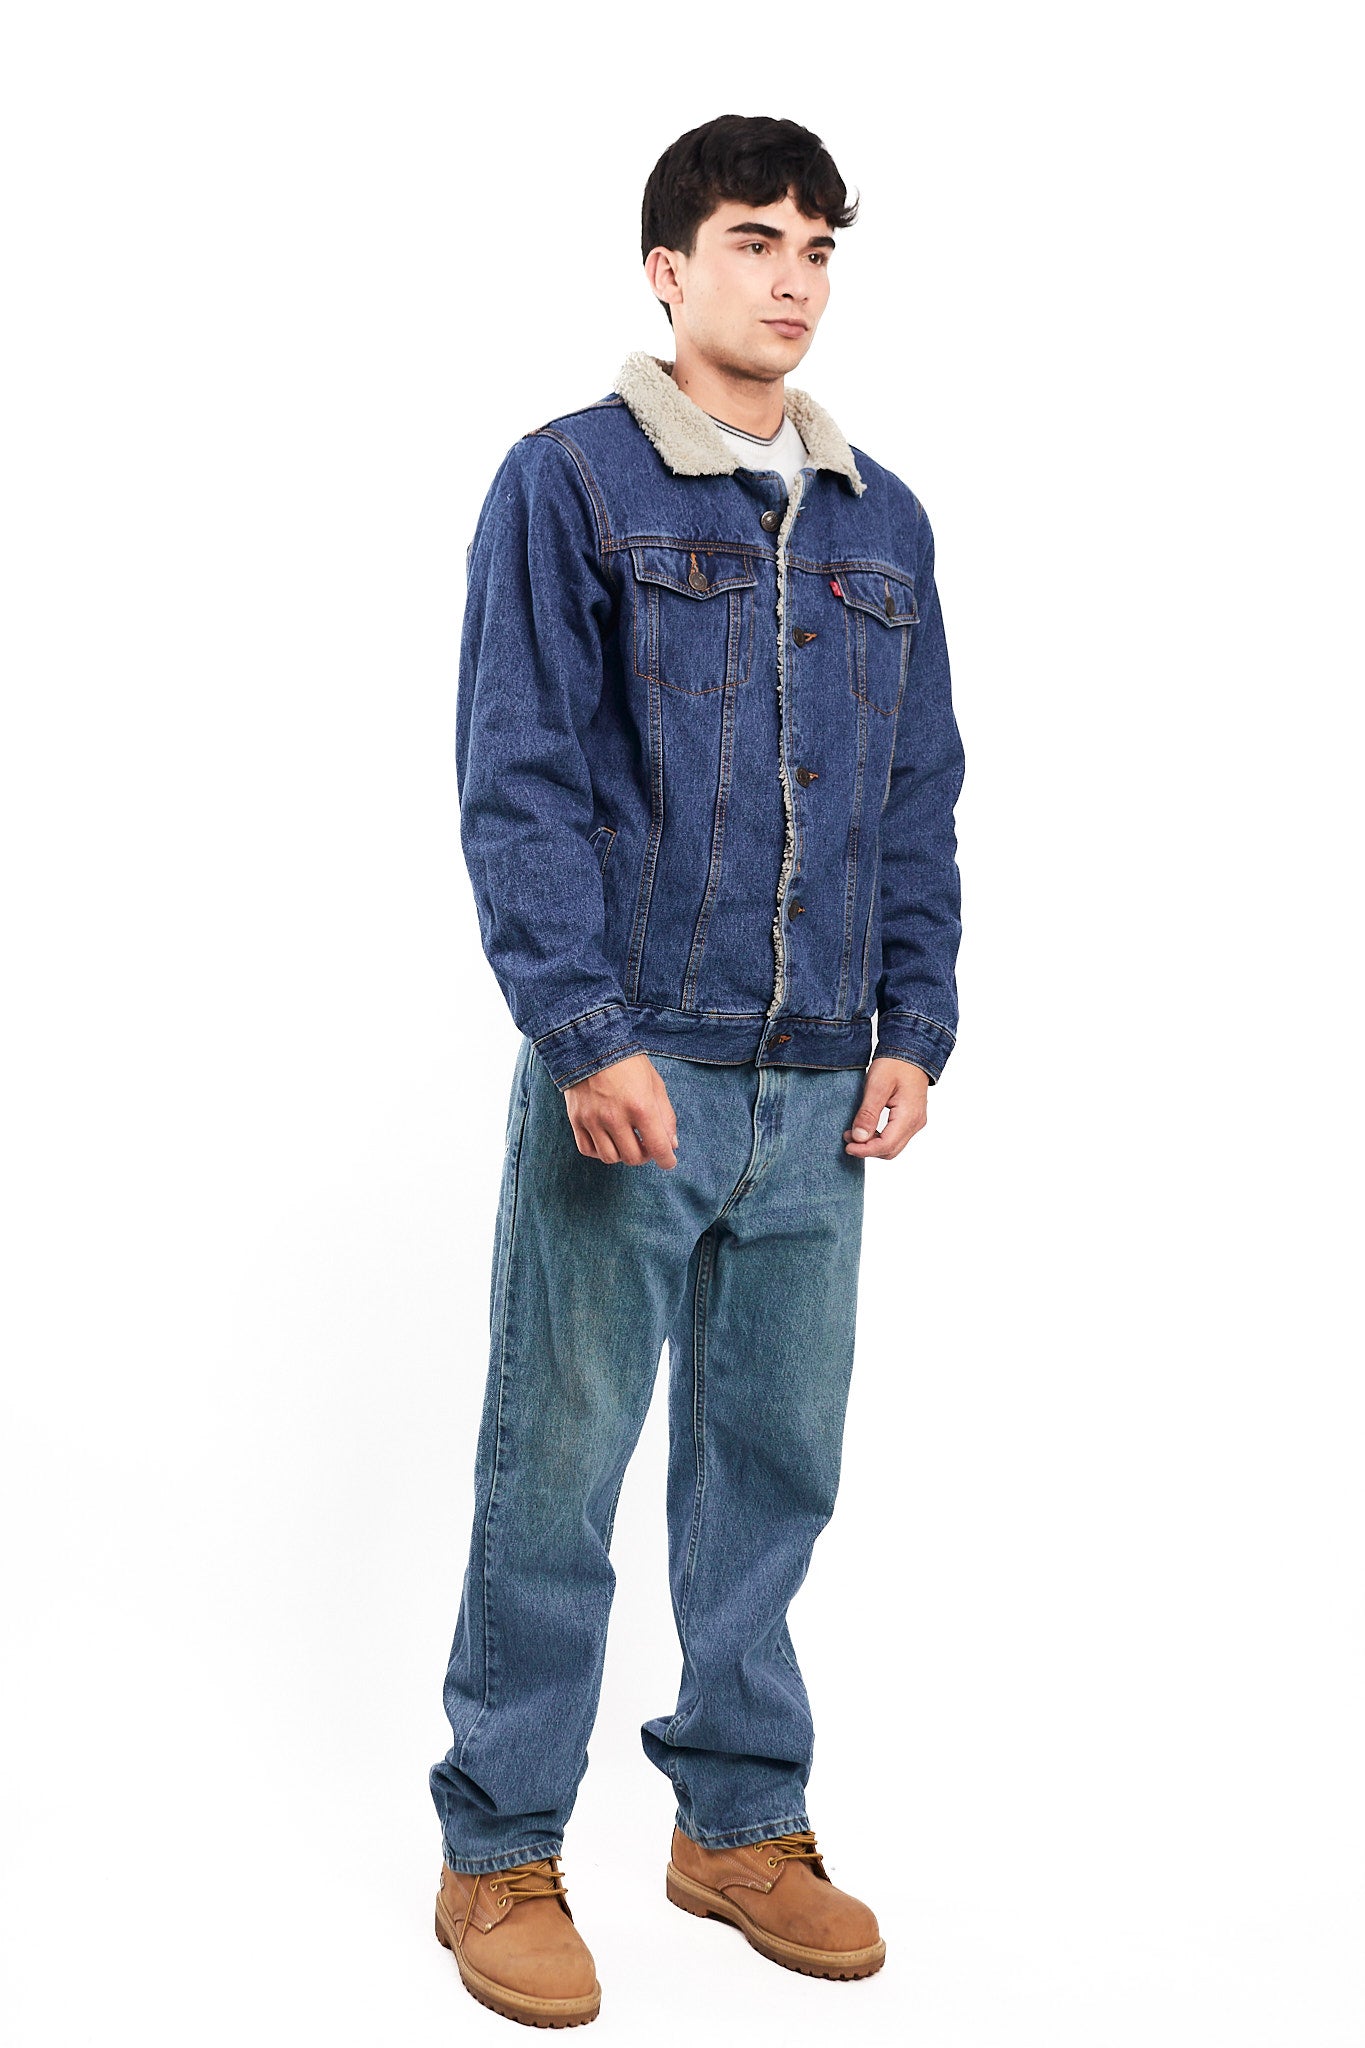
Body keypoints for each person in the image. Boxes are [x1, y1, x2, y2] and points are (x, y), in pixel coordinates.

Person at [428, 111, 966, 2028]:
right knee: (556, 1473)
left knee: (772, 1474)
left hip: (820, 1086)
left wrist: (913, 1022)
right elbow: (518, 775)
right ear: (668, 271)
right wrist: (581, 1030)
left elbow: (916, 797)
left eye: (819, 247)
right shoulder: (570, 483)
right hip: (637, 1075)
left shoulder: (882, 521)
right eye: (754, 240)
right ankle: (498, 1851)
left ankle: (737, 1825)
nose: (793, 278)